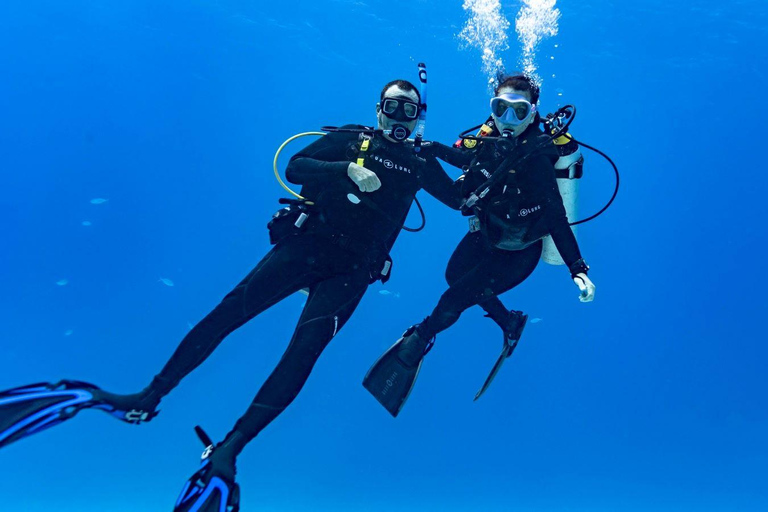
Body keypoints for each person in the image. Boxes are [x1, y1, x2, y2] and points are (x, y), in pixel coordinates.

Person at [0, 78, 461, 511]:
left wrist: (504, 178)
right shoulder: (353, 139)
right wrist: (346, 169)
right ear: (379, 110)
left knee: (303, 354)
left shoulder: (422, 163)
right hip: (309, 245)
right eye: (392, 107)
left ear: (420, 115)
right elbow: (294, 165)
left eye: (410, 109)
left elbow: (464, 200)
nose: (400, 116)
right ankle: (146, 397)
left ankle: (229, 451)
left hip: (354, 272)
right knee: (227, 314)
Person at [363, 74, 597, 417]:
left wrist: (578, 269)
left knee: (453, 298)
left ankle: (419, 340)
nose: (508, 120)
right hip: (486, 237)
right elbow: (468, 162)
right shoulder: (486, 141)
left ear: (533, 113)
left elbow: (557, 219)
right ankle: (509, 323)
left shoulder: (537, 159)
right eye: (500, 109)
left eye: (519, 111)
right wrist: (432, 150)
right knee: (453, 276)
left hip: (519, 253)